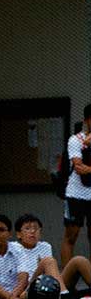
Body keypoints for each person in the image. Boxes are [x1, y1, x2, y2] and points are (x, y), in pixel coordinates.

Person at [14, 213, 91, 299]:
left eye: (36, 228)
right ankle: (64, 297)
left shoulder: (45, 246)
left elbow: (49, 274)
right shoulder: (14, 248)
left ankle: (63, 294)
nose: (32, 231)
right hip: (28, 289)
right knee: (48, 261)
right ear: (19, 234)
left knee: (79, 260)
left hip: (49, 285)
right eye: (27, 228)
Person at [61, 104, 91, 266]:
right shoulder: (75, 140)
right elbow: (79, 168)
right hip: (76, 194)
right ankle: (66, 281)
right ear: (87, 120)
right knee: (71, 236)